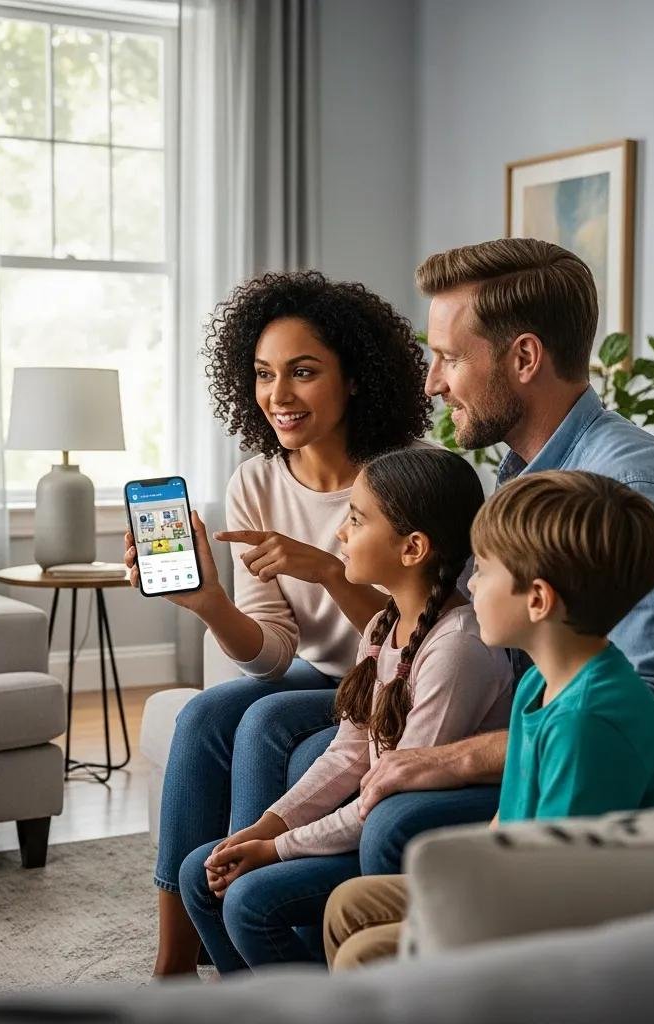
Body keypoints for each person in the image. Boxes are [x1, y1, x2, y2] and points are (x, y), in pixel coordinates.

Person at [350, 238, 654, 880]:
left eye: (449, 358)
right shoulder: (527, 474)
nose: (433, 384)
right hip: (541, 724)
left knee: (396, 825)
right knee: (274, 726)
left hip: (619, 793)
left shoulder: (632, 497)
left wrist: (455, 758)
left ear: (524, 358)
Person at [124, 271, 432, 976]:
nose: (279, 396)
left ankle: (241, 918)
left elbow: (420, 633)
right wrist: (206, 602)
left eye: (302, 372)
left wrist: (328, 569)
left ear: (354, 378)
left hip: (392, 676)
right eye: (264, 375)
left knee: (264, 726)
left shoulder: (415, 478)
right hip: (312, 673)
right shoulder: (256, 481)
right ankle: (173, 960)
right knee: (202, 716)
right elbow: (269, 659)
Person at [324, 470, 654, 969]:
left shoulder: (590, 724)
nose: (471, 583)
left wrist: (437, 922)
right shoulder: (538, 684)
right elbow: (507, 824)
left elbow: (567, 886)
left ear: (537, 600)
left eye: (485, 570)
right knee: (349, 905)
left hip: (588, 925)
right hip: (523, 881)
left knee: (367, 953)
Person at [176, 447, 513, 971]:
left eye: (355, 520)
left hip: (410, 829)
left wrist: (280, 848)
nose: (339, 535)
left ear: (413, 548)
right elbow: (348, 753)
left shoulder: (457, 649)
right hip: (369, 812)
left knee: (248, 901)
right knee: (200, 871)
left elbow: (386, 795)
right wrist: (266, 826)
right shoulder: (383, 627)